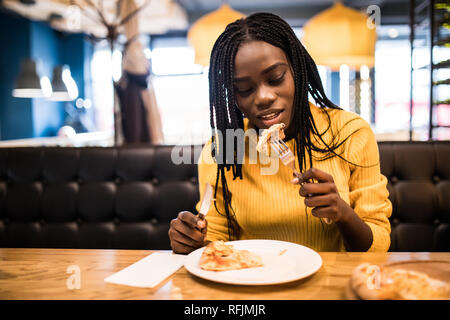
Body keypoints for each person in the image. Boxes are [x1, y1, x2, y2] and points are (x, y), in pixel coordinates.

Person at [168, 12, 391, 254]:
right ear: (232, 96)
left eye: (275, 78)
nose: (264, 97)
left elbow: (378, 246)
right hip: (251, 282)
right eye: (244, 89)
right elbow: (218, 241)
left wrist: (343, 213)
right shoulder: (223, 149)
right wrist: (194, 241)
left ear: (296, 70)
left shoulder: (351, 133)